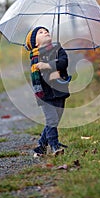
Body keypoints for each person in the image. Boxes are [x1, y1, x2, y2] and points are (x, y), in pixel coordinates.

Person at [25, 26, 71, 156]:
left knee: (56, 119)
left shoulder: (58, 50)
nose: (45, 32)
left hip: (60, 91)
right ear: (35, 43)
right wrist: (48, 75)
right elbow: (37, 79)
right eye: (41, 32)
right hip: (45, 94)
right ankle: (55, 146)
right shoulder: (35, 58)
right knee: (52, 119)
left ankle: (41, 146)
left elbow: (63, 63)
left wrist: (48, 65)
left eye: (46, 31)